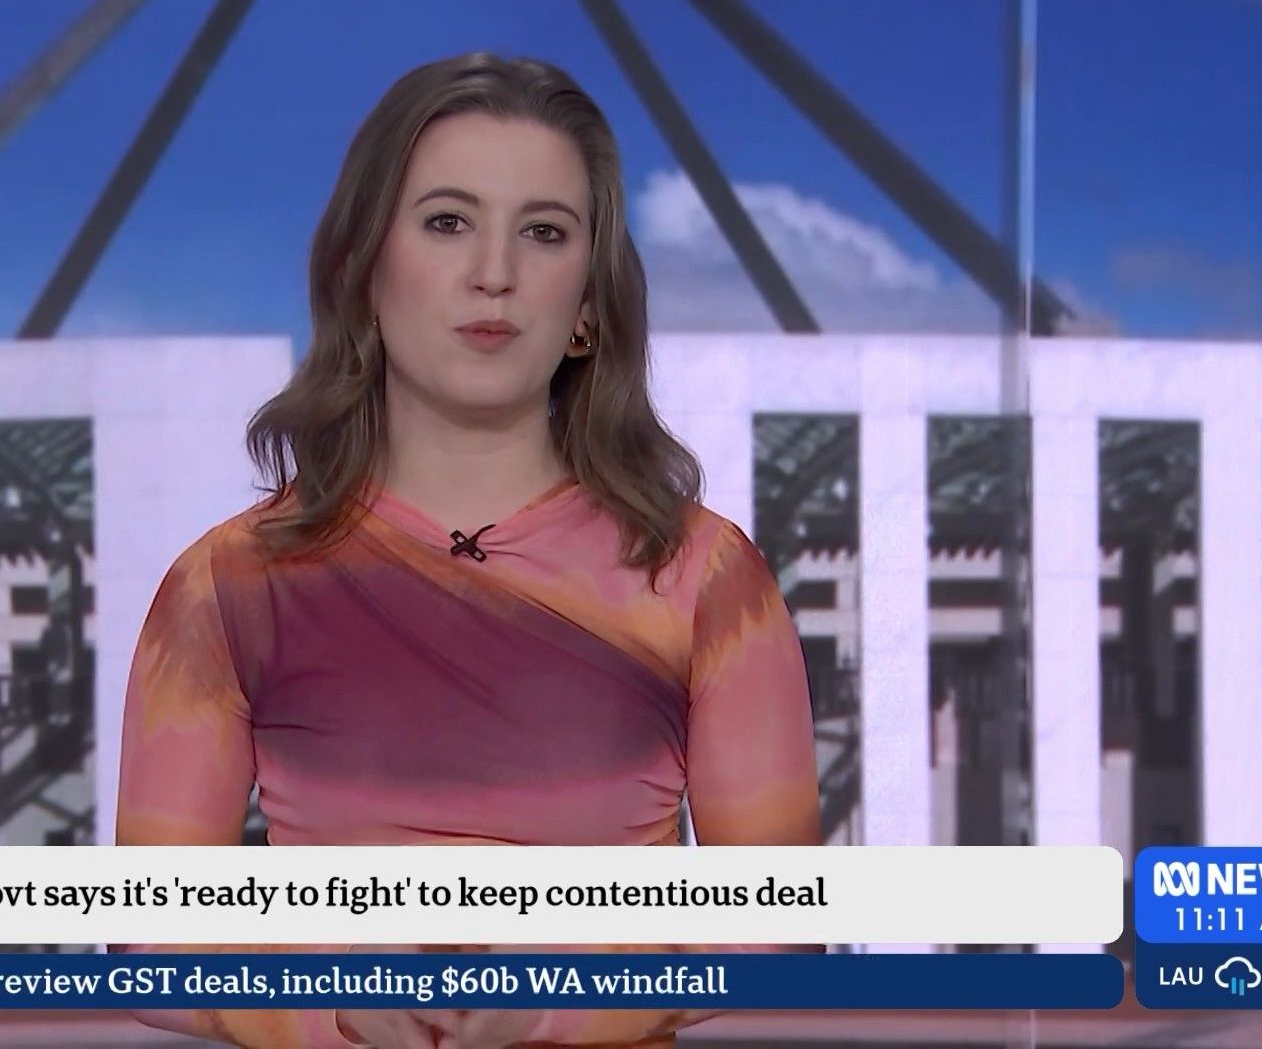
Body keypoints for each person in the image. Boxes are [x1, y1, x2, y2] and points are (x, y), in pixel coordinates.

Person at [111, 52, 819, 1049]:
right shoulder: (225, 587)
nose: (495, 272)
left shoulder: (705, 580)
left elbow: (775, 929)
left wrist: (568, 996)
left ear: (588, 304)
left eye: (544, 232)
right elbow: (155, 944)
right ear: (364, 269)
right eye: (448, 222)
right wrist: (323, 999)